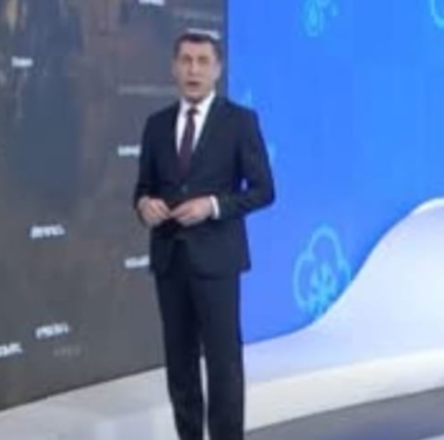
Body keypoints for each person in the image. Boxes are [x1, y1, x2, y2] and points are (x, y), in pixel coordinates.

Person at [133, 32, 275, 440]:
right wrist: (144, 205)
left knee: (223, 365)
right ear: (174, 67)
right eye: (186, 61)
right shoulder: (156, 125)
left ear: (217, 69)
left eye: (202, 61)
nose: (193, 70)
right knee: (180, 366)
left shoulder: (240, 122)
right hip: (170, 260)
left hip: (217, 261)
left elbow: (264, 190)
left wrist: (212, 205)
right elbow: (142, 188)